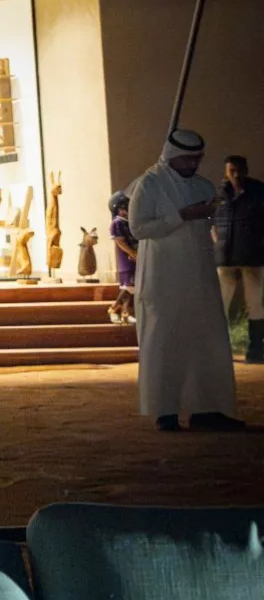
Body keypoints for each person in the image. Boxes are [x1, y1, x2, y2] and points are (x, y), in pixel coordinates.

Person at [128, 129, 244, 431]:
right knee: (165, 341)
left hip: (200, 275)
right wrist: (182, 215)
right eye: (188, 159)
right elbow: (139, 229)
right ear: (172, 157)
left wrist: (206, 213)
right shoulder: (149, 184)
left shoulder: (202, 185)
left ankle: (207, 408)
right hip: (163, 277)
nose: (194, 164)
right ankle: (165, 410)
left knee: (206, 340)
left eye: (197, 159)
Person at [212, 155, 264, 363]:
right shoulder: (219, 193)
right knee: (220, 303)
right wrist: (217, 242)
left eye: (238, 170)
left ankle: (256, 349)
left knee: (255, 302)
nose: (235, 174)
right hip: (225, 256)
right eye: (232, 170)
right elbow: (212, 221)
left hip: (252, 256)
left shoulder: (258, 192)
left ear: (246, 170)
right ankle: (219, 348)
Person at [108, 192, 137, 325]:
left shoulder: (129, 223)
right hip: (127, 260)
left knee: (133, 288)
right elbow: (119, 241)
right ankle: (114, 308)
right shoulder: (117, 223)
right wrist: (132, 252)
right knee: (128, 287)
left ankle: (125, 312)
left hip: (135, 259)